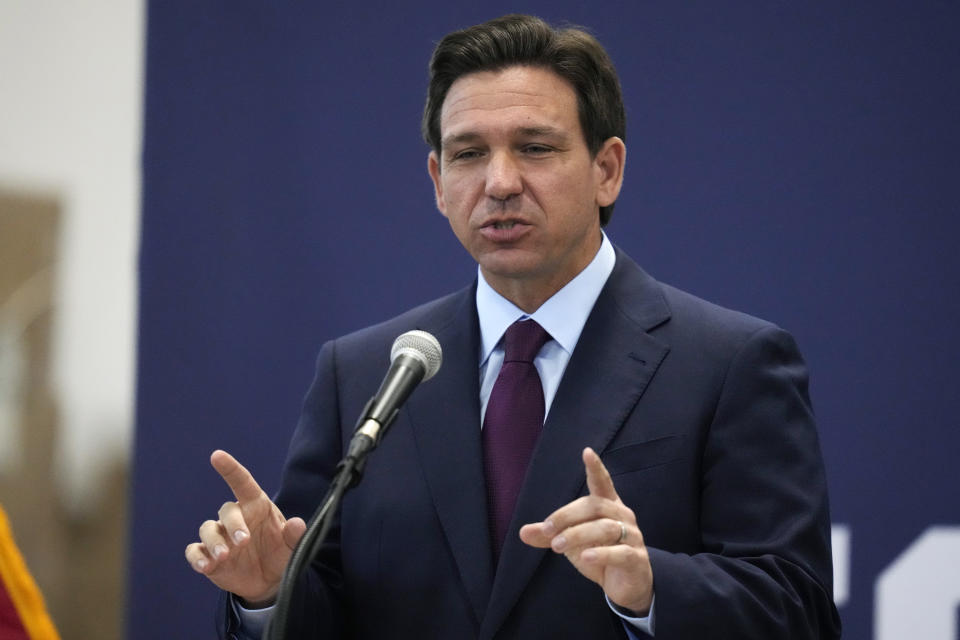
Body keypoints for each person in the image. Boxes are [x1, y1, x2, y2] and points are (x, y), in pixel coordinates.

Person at [185, 14, 841, 639]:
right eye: (469, 153)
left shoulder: (730, 363)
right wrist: (268, 592)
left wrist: (650, 589)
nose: (500, 182)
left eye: (534, 148)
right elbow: (327, 611)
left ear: (606, 169)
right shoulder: (361, 374)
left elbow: (799, 610)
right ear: (440, 183)